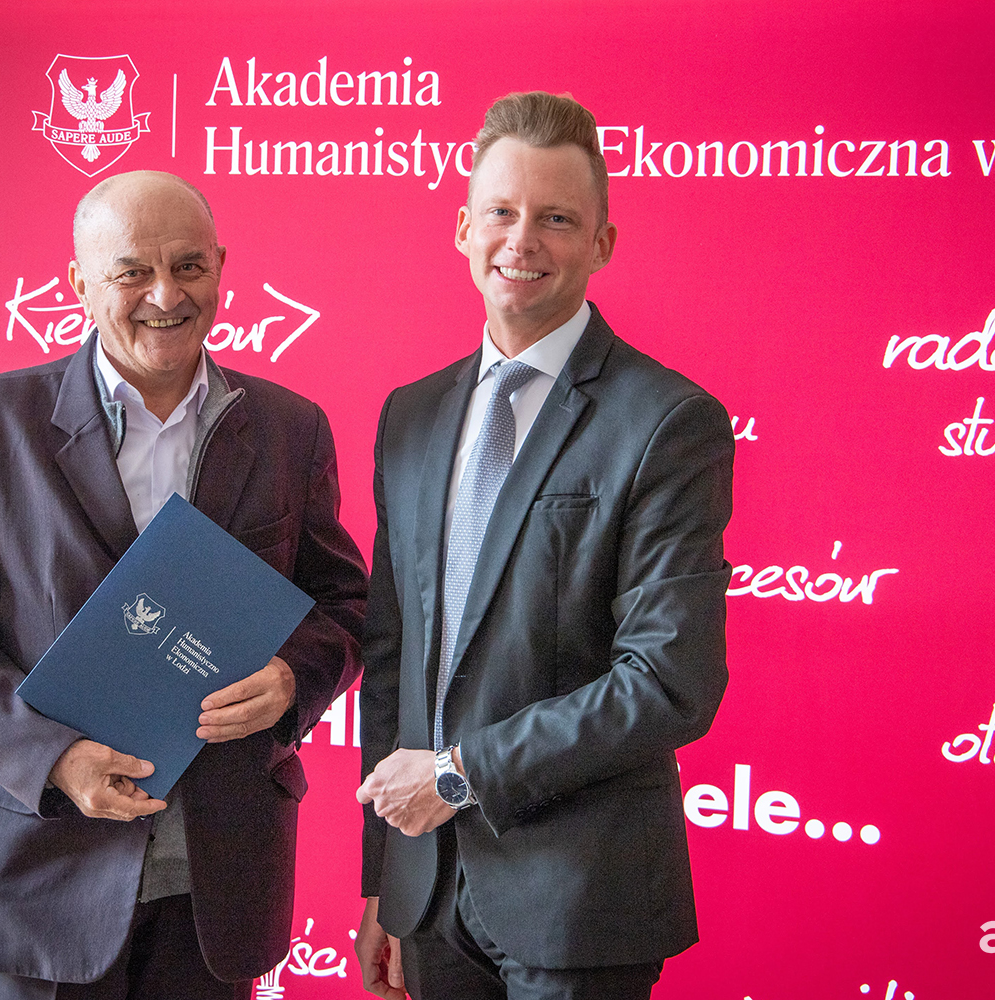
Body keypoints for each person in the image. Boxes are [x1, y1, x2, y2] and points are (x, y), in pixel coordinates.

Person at [0, 170, 367, 999]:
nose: (165, 296)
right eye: (132, 272)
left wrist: (295, 676)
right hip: (45, 873)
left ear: (221, 267)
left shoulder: (291, 429)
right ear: (80, 282)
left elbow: (345, 606)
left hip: (217, 884)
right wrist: (53, 758)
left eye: (189, 267)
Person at [354, 92, 734, 1000]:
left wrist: (458, 776)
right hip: (429, 893)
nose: (521, 240)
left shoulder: (666, 421)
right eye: (501, 212)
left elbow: (670, 682)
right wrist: (383, 881)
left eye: (556, 219)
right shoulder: (411, 417)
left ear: (602, 243)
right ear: (464, 229)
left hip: (580, 899)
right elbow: (392, 661)